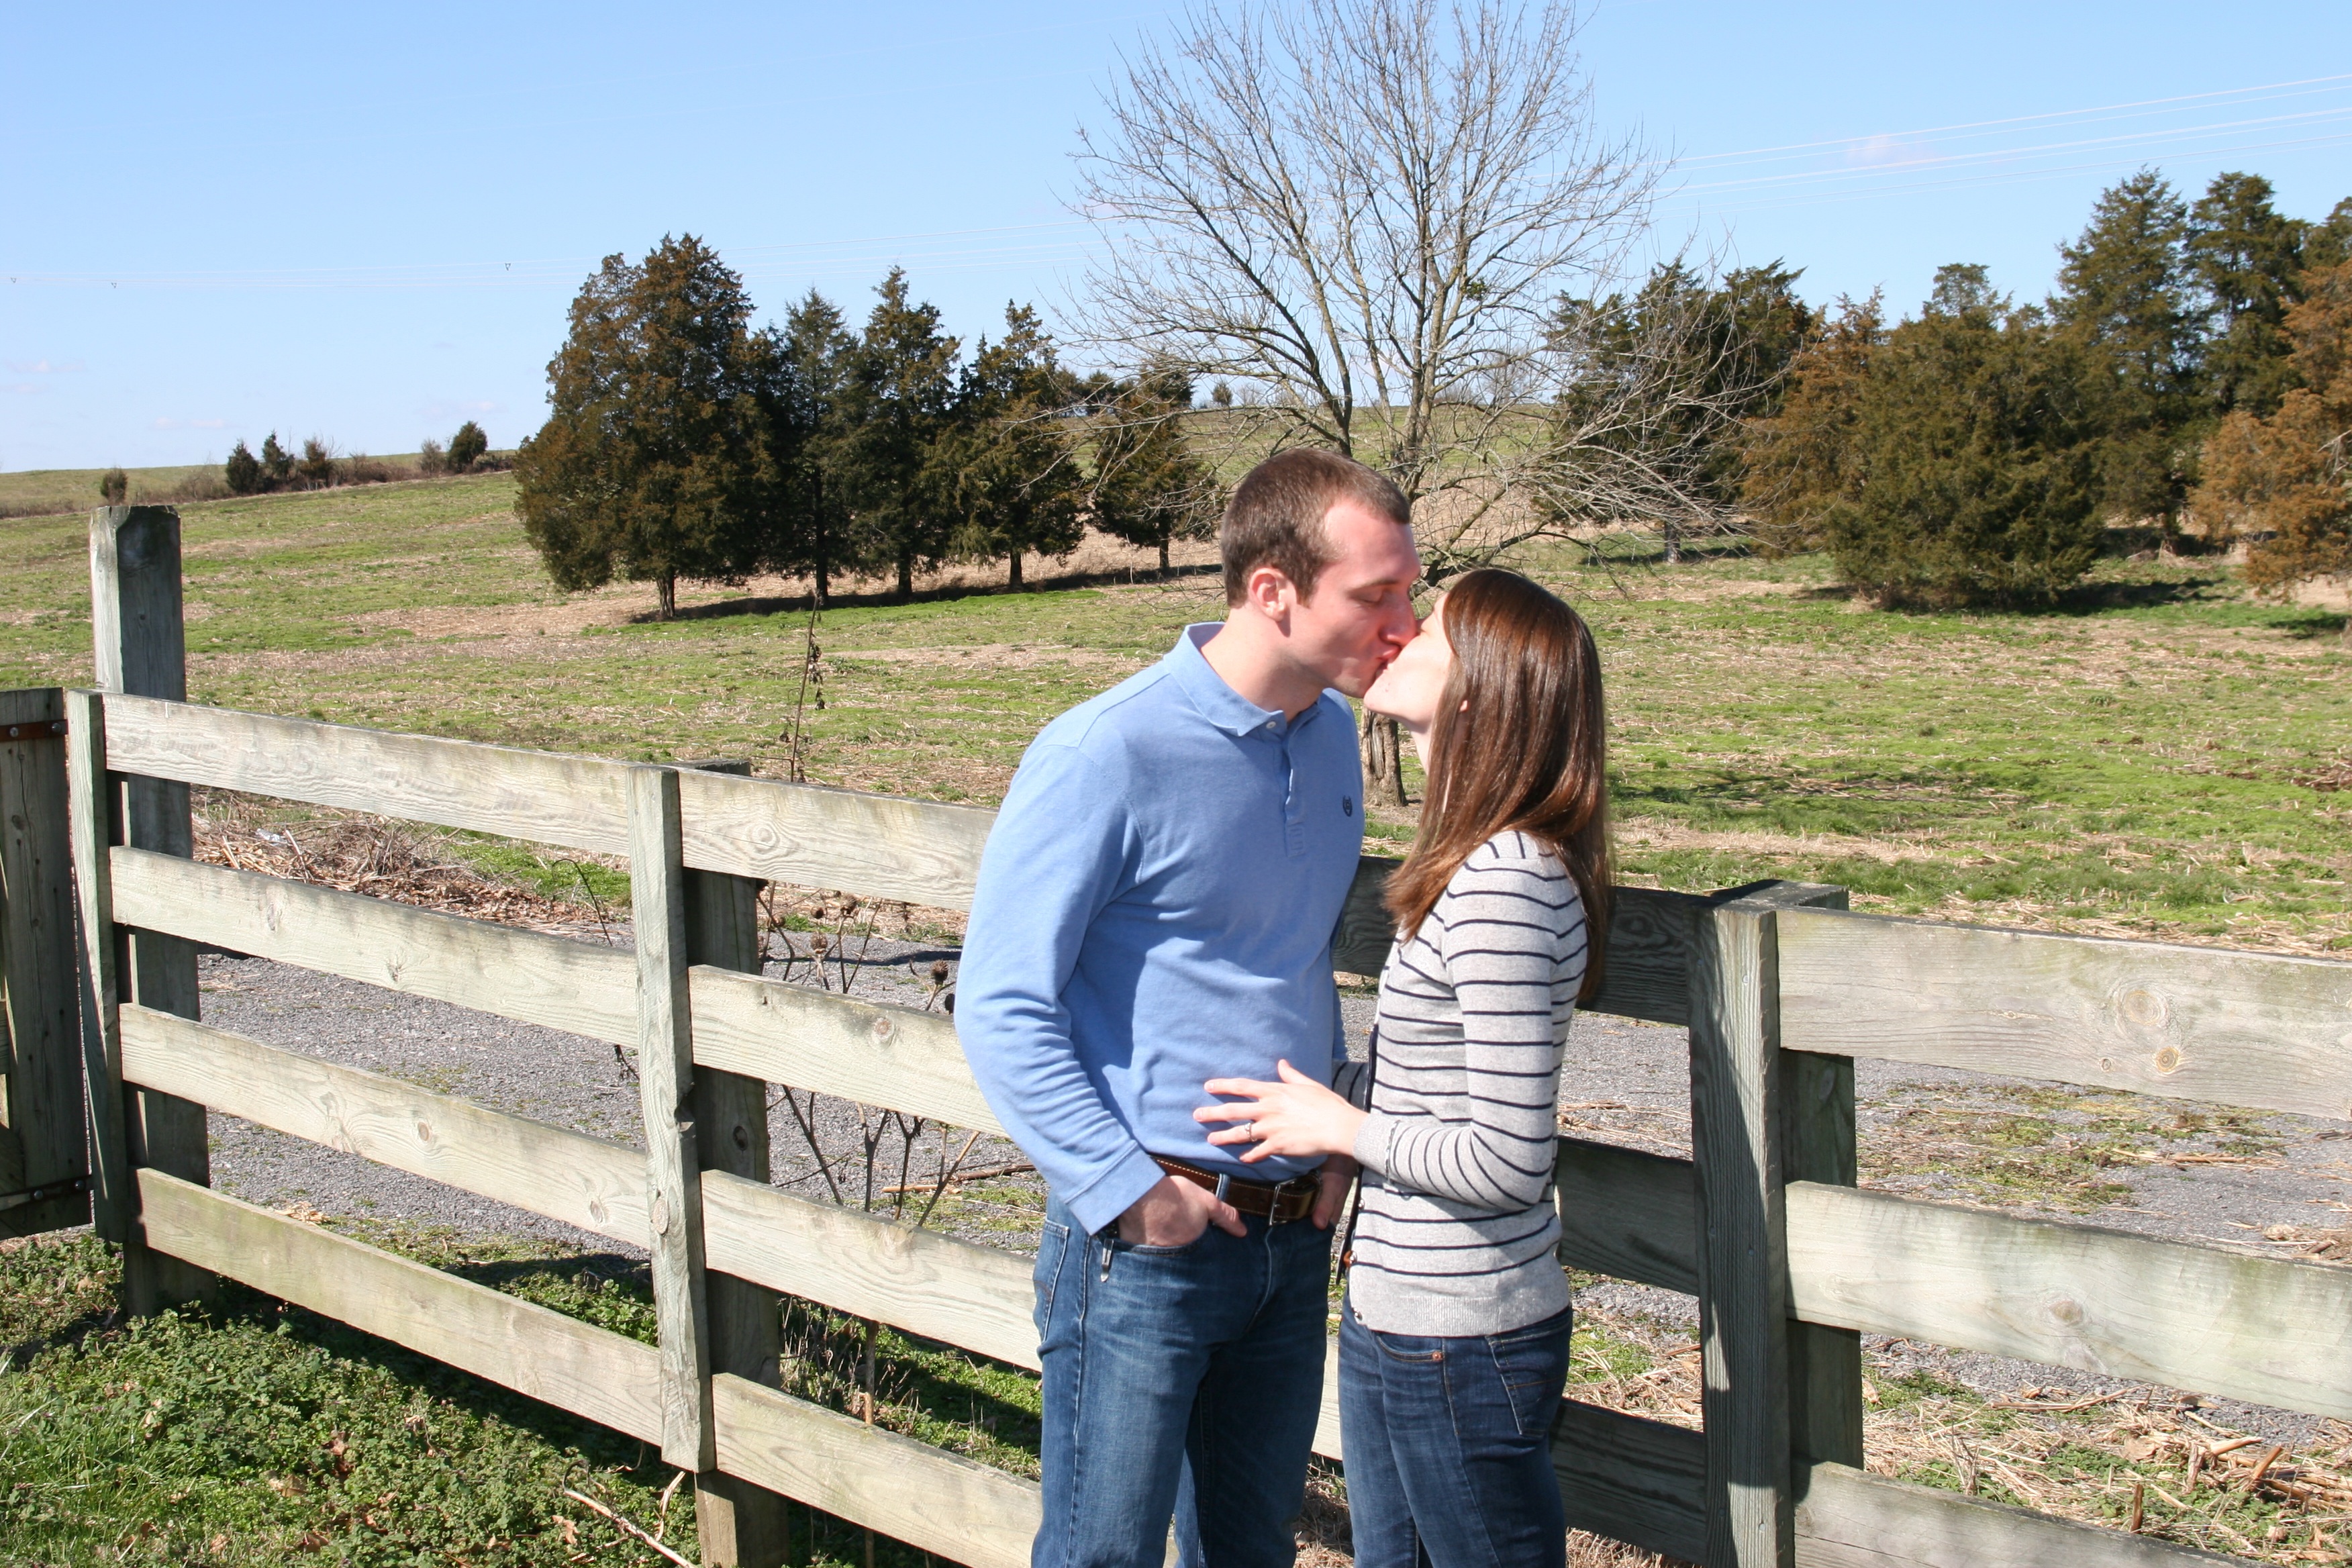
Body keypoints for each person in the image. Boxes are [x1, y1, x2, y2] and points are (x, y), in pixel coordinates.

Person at [955, 448, 1422, 1568]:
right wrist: (1129, 1195)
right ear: (1273, 591)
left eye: (1410, 591)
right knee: (1100, 1557)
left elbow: (1286, 959)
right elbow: (1001, 1001)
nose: (1405, 625)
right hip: (1146, 1243)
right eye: (1376, 596)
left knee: (1251, 1554)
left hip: (1289, 1239)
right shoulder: (1105, 751)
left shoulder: (1330, 735)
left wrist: (1337, 1137)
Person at [1193, 568, 1611, 1568]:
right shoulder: (1473, 860)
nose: (1399, 635)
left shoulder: (1508, 879)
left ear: (1478, 689)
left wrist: (1340, 1130)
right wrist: (1330, 1104)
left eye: (1430, 632)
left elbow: (1511, 1159)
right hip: (1403, 1315)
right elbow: (1434, 1093)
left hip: (1463, 1334)